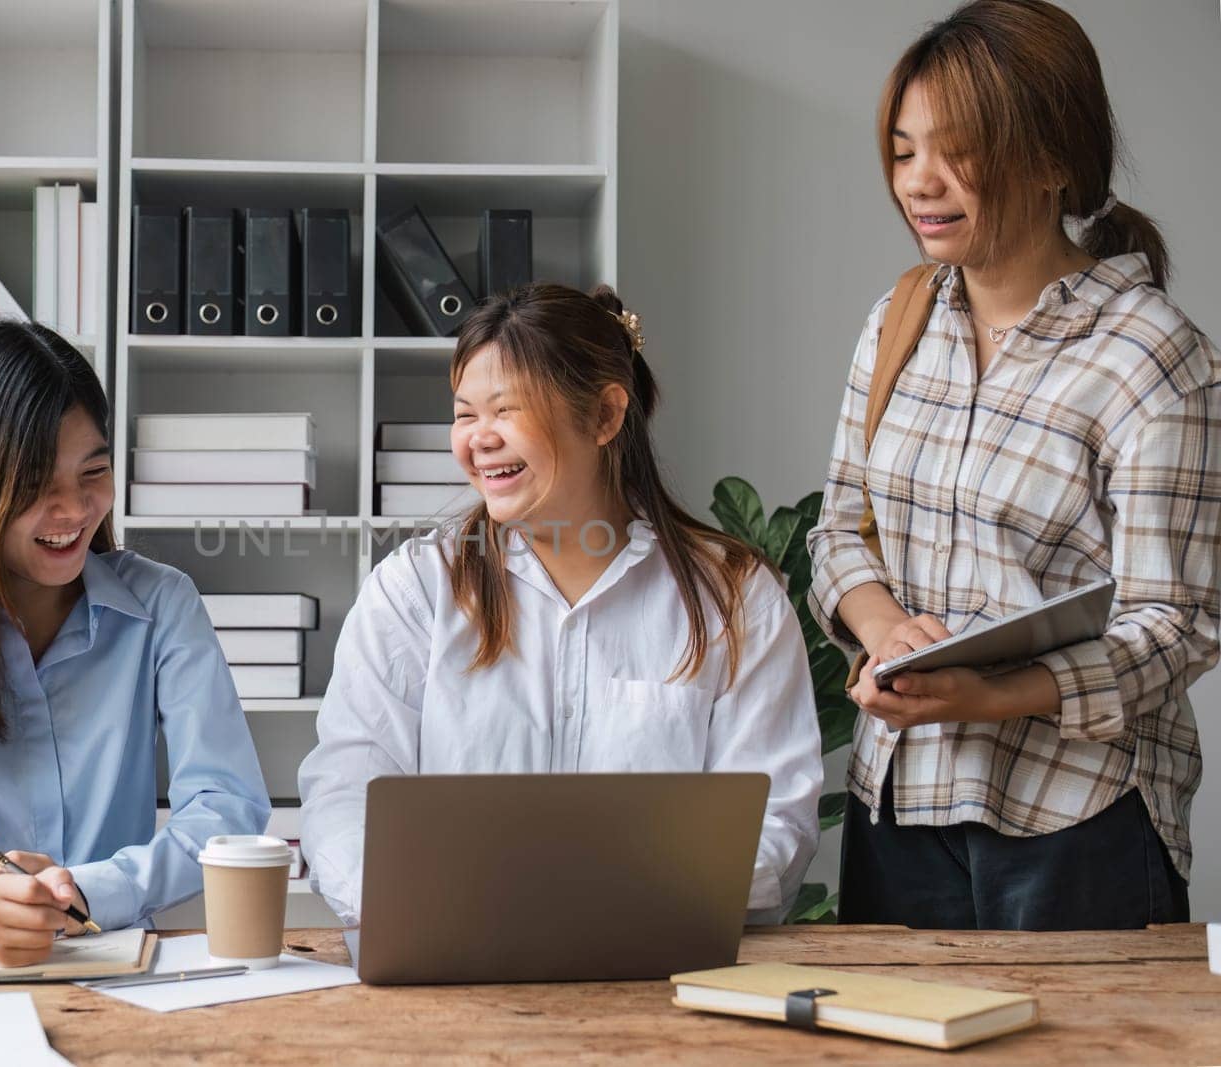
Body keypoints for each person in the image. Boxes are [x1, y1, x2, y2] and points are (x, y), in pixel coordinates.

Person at [808, 0, 1220, 929]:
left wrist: (995, 696)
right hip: (899, 808)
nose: (922, 181)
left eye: (959, 150)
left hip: (1078, 819)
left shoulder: (1154, 355)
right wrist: (886, 632)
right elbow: (839, 530)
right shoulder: (899, 318)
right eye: (905, 150)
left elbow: (1179, 623)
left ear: (1050, 158)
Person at [298, 283, 823, 925]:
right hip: (453, 956)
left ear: (605, 416)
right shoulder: (415, 590)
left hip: (660, 967)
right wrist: (402, 902)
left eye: (506, 410)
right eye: (465, 414)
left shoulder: (734, 597)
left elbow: (776, 820)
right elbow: (346, 791)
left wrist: (616, 900)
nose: (478, 439)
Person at [0, 321, 269, 964]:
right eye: (34, 484)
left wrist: (90, 889)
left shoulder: (161, 605)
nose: (73, 509)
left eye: (93, 471)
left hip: (111, 958)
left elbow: (229, 807)